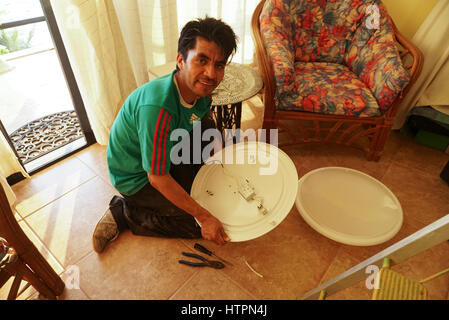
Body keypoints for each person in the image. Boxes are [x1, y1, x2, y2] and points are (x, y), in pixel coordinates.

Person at [92, 17, 238, 253]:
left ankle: (191, 193)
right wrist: (203, 216)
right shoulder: (158, 109)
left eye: (219, 65)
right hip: (137, 176)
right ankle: (125, 213)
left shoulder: (201, 90)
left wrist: (221, 163)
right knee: (197, 222)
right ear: (181, 60)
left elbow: (205, 123)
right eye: (202, 60)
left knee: (207, 192)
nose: (211, 73)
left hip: (167, 150)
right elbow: (157, 178)